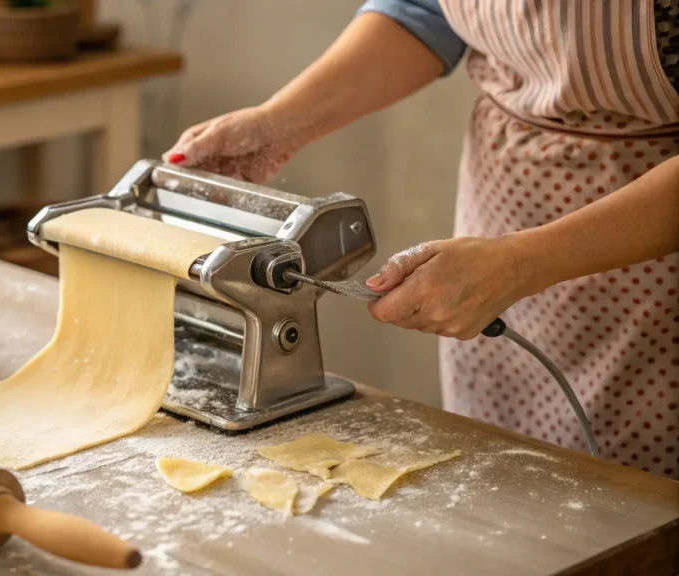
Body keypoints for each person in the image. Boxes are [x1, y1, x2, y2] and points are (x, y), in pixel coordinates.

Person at [163, 0, 679, 479]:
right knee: (507, 479)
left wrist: (522, 263)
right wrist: (278, 123)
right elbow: (424, 9)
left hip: (650, 245)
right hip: (501, 201)